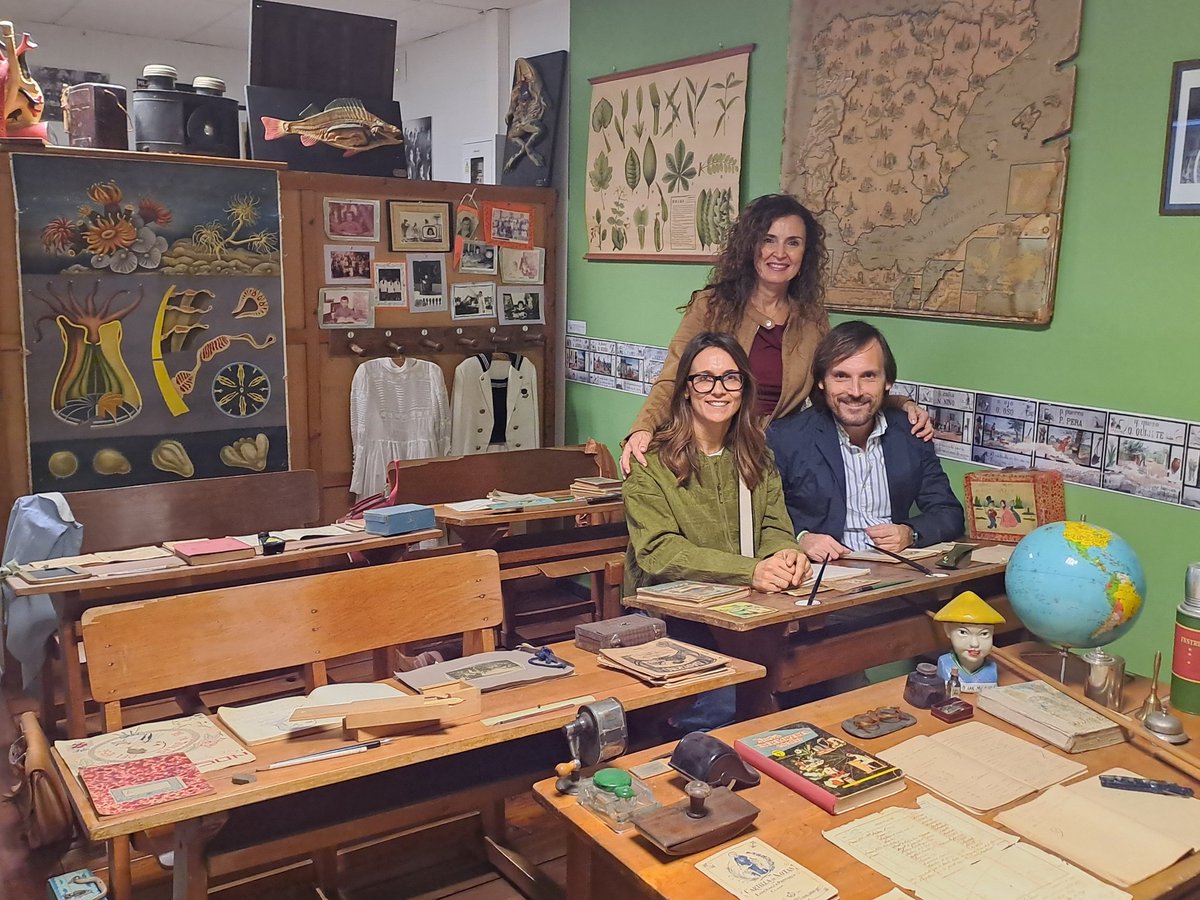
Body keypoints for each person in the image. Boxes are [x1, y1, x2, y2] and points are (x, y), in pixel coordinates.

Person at [621, 193, 931, 474]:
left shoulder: (812, 319)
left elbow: (834, 386)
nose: (779, 253)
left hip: (775, 460)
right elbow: (673, 377)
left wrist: (900, 403)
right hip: (706, 453)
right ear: (750, 246)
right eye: (769, 240)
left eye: (793, 242)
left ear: (805, 253)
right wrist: (643, 428)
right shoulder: (710, 306)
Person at [623, 331, 810, 594]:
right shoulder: (649, 464)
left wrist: (785, 554)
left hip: (747, 599)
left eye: (731, 378)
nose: (718, 390)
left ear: (744, 388)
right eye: (704, 379)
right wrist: (749, 571)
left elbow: (773, 525)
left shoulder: (758, 456)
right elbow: (660, 551)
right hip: (670, 608)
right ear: (686, 389)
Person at [767, 321, 965, 561]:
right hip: (823, 576)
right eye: (841, 376)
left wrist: (910, 533)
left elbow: (949, 513)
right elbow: (764, 519)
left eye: (868, 376)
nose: (855, 391)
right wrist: (801, 538)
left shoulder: (911, 433)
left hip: (896, 574)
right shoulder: (787, 438)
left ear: (887, 382)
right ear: (821, 382)